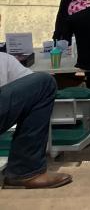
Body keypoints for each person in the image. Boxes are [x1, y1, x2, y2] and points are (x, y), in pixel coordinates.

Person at [0, 51, 72, 189]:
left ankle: (24, 170)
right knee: (44, 83)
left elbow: (30, 86)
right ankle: (25, 170)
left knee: (41, 85)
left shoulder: (4, 60)